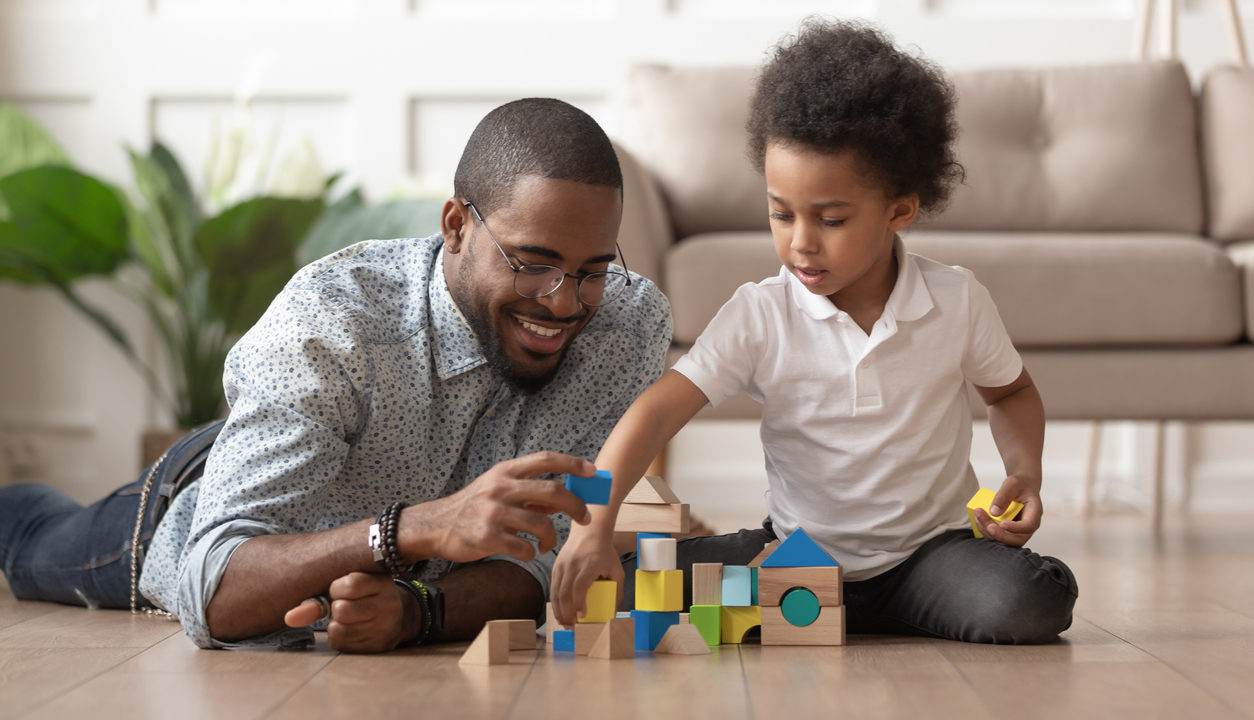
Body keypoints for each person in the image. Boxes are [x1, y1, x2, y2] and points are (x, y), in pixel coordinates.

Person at [0, 98, 673, 652]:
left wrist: (418, 609)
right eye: (533, 261)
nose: (563, 302)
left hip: (351, 526)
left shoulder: (626, 329)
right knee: (28, 538)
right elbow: (212, 590)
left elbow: (540, 558)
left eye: (591, 271)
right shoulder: (333, 322)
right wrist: (409, 530)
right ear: (456, 227)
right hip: (201, 504)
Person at [551, 20, 1078, 644]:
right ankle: (807, 605)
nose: (800, 242)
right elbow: (654, 415)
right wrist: (591, 530)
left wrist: (1026, 472)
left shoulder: (955, 300)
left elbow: (1010, 393)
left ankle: (826, 615)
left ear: (899, 210)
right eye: (780, 213)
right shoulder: (760, 313)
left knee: (1031, 602)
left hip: (931, 559)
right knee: (631, 582)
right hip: (798, 556)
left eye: (830, 218)